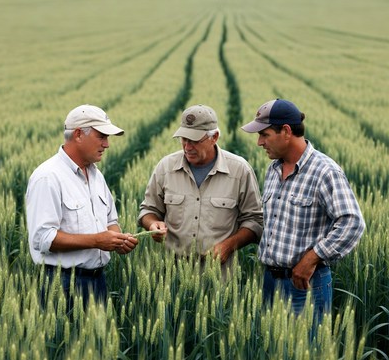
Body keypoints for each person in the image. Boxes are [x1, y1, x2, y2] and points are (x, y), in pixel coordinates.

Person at [241, 98, 365, 323]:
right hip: (270, 282)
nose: (259, 142)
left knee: (306, 355)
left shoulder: (324, 171)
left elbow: (352, 223)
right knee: (273, 356)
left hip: (305, 284)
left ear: (286, 131)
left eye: (264, 134)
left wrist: (311, 258)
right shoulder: (273, 169)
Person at [26, 104, 138, 309]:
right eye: (101, 136)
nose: (107, 144)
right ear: (78, 134)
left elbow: (111, 220)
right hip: (62, 284)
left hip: (98, 281)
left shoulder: (96, 175)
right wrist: (97, 241)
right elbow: (42, 238)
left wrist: (118, 240)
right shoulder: (48, 177)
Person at [138, 104, 263, 267]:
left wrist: (229, 245)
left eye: (195, 140)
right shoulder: (165, 167)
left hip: (219, 277)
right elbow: (149, 210)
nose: (187, 147)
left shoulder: (239, 170)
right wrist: (152, 224)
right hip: (170, 274)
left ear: (215, 137)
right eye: (184, 139)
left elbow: (254, 220)